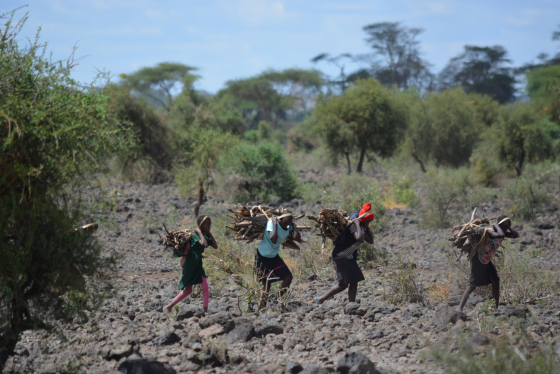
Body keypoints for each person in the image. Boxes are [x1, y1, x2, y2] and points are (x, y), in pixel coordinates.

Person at [314, 203, 374, 305]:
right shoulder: (353, 227)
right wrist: (357, 223)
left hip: (347, 257)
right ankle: (320, 299)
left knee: (354, 281)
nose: (368, 223)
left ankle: (351, 304)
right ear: (362, 220)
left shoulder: (361, 228)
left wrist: (366, 226)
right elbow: (360, 239)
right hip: (340, 256)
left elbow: (371, 241)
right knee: (343, 284)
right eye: (368, 221)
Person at [458, 215, 519, 313]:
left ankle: (496, 308)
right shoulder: (489, 231)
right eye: (503, 227)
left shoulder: (501, 231)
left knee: (495, 282)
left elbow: (516, 235)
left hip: (487, 259)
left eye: (506, 228)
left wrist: (507, 227)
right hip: (478, 258)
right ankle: (459, 308)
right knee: (472, 285)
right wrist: (496, 225)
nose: (505, 230)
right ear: (499, 226)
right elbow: (500, 235)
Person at [165, 215, 218, 314]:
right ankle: (170, 306)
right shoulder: (195, 235)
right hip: (190, 264)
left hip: (198, 264)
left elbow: (215, 246)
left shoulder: (206, 236)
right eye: (207, 225)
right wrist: (198, 232)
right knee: (188, 290)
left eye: (210, 225)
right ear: (201, 225)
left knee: (205, 287)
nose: (209, 227)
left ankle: (205, 311)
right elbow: (204, 244)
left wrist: (210, 233)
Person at [255, 210, 302, 307]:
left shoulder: (288, 226)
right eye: (284, 223)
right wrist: (275, 224)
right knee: (266, 284)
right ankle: (261, 307)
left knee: (288, 276)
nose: (286, 226)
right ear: (280, 219)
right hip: (262, 255)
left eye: (288, 224)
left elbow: (298, 238)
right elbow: (273, 239)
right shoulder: (271, 223)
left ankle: (276, 302)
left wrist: (294, 227)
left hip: (273, 256)